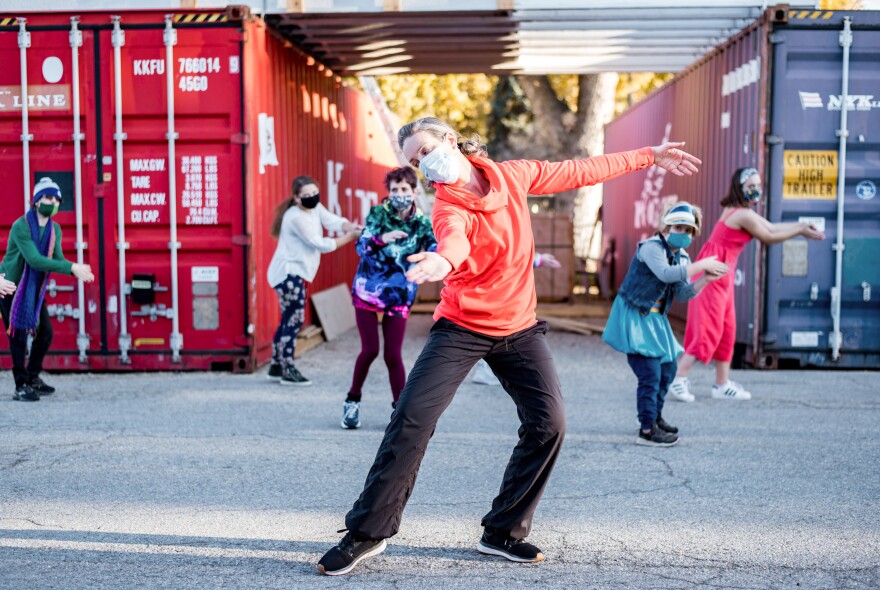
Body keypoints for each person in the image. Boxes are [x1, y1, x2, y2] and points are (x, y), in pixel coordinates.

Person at [316, 116, 702, 576]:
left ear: (451, 141)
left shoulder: (512, 176)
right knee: (412, 417)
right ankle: (367, 532)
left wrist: (647, 156)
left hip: (518, 328)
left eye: (425, 151)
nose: (423, 164)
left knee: (550, 423)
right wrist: (442, 259)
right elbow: (453, 239)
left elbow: (581, 170)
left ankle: (502, 531)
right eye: (414, 162)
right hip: (461, 326)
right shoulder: (446, 206)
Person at [667, 168, 825, 402]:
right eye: (751, 185)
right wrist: (801, 229)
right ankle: (679, 379)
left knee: (727, 331)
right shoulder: (740, 214)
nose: (756, 190)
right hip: (713, 274)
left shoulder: (741, 212)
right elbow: (769, 237)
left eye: (758, 184)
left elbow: (771, 227)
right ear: (739, 188)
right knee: (707, 330)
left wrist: (800, 227)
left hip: (723, 276)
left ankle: (721, 384)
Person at [602, 202, 728, 446]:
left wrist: (705, 280)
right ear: (665, 226)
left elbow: (681, 293)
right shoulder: (650, 248)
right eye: (679, 228)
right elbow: (665, 274)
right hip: (636, 315)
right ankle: (647, 430)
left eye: (690, 230)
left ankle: (655, 418)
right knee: (649, 373)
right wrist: (701, 265)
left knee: (668, 370)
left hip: (656, 319)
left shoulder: (682, 256)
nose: (685, 234)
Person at [342, 166, 437, 429]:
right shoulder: (377, 214)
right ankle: (352, 401)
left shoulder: (422, 222)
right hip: (368, 290)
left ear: (414, 192)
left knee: (392, 355)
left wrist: (436, 258)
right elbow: (361, 246)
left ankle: (400, 412)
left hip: (398, 294)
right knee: (370, 349)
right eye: (394, 190)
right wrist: (382, 237)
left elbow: (435, 248)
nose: (398, 194)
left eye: (404, 189)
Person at [0, 177, 95, 402]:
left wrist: (74, 270)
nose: (52, 202)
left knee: (45, 333)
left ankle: (32, 377)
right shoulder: (20, 226)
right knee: (18, 337)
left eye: (55, 199)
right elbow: (34, 260)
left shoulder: (55, 230)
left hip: (33, 289)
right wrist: (72, 267)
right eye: (47, 197)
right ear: (36, 200)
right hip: (10, 285)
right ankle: (20, 384)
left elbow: (57, 259)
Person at [266, 175, 362, 386]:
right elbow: (321, 244)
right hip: (289, 275)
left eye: (314, 193)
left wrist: (347, 226)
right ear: (297, 199)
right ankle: (287, 368)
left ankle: (275, 364)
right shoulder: (296, 217)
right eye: (306, 195)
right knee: (294, 320)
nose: (312, 197)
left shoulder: (314, 209)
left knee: (288, 318)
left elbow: (332, 220)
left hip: (292, 274)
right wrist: (351, 236)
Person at [470, 251, 561, 385]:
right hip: (492, 293)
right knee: (493, 332)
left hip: (493, 292)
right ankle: (485, 369)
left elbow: (512, 252)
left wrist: (539, 259)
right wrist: (539, 259)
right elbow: (509, 254)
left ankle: (489, 368)